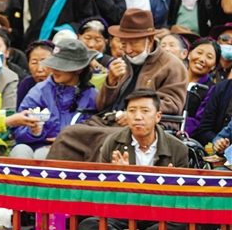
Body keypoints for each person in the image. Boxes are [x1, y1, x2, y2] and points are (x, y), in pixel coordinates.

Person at [47, 9, 187, 162]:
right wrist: (111, 81)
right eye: (123, 43)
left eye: (133, 44)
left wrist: (135, 113)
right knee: (68, 134)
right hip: (110, 120)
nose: (128, 50)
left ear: (150, 40)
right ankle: (55, 178)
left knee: (107, 140)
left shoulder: (171, 65)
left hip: (145, 125)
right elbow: (101, 105)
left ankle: (96, 178)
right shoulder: (122, 61)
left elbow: (173, 104)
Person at [78, 88, 188, 230]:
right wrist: (117, 179)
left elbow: (182, 201)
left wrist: (168, 186)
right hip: (122, 212)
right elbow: (102, 194)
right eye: (132, 111)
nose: (138, 117)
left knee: (182, 227)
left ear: (158, 116)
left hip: (159, 213)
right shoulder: (112, 143)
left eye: (145, 111)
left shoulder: (178, 148)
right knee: (88, 227)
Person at [11, 39, 98, 159]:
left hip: (72, 150)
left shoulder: (92, 96)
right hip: (33, 144)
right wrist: (34, 132)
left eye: (61, 66)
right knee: (19, 150)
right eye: (54, 64)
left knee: (43, 155)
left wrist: (66, 141)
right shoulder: (39, 91)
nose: (55, 70)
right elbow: (17, 129)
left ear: (79, 69)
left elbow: (96, 134)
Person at [184, 38, 219, 136]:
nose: (202, 59)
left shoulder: (212, 89)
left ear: (214, 65)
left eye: (209, 57)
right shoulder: (172, 76)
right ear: (189, 54)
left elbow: (200, 121)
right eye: (199, 53)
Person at [16, 40, 54, 107]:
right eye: (34, 63)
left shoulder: (63, 85)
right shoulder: (26, 84)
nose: (39, 69)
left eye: (45, 62)